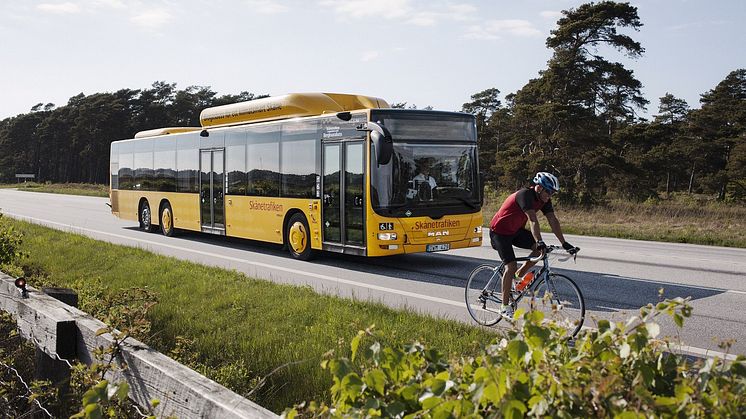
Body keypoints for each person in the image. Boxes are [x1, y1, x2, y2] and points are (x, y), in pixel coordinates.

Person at [489, 172, 579, 320]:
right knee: (510, 266)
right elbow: (532, 220)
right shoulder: (525, 195)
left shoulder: (544, 199)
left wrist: (564, 243)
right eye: (549, 191)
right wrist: (539, 240)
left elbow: (553, 220)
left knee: (539, 252)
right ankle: (504, 307)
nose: (550, 196)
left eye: (553, 193)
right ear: (539, 187)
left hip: (515, 231)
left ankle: (518, 277)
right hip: (499, 232)